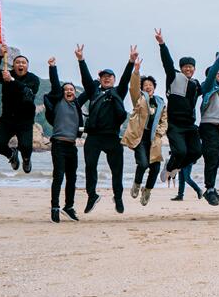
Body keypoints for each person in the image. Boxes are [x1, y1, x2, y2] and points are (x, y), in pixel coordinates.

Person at [76, 43, 137, 214]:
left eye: (110, 76)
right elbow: (86, 79)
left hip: (112, 137)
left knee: (117, 170)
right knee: (90, 167)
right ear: (100, 79)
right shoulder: (94, 92)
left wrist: (131, 62)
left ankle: (118, 197)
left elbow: (126, 79)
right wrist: (81, 60)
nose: (106, 78)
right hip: (94, 137)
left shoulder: (119, 92)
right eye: (103, 76)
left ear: (114, 80)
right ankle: (91, 196)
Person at [155, 29, 201, 179]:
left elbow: (209, 82)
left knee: (196, 152)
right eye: (185, 66)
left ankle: (177, 166)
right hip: (174, 124)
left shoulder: (195, 84)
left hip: (190, 125)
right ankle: (169, 166)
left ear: (194, 69)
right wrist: (162, 44)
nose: (188, 68)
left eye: (191, 66)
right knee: (180, 152)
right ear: (181, 69)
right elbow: (167, 63)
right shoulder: (174, 77)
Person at [121, 57, 167, 207]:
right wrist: (136, 71)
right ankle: (136, 183)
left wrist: (159, 133)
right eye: (145, 85)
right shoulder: (139, 99)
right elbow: (133, 88)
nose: (148, 87)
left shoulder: (160, 102)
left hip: (154, 139)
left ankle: (147, 190)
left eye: (150, 85)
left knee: (155, 167)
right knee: (143, 163)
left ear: (154, 87)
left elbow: (164, 121)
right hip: (140, 137)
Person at [0, 45, 40, 173]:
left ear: (27, 66)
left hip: (25, 121)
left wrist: (11, 80)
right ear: (13, 65)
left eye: (23, 62)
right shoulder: (7, 74)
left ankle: (26, 160)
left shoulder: (33, 79)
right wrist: (0, 56)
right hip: (7, 119)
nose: (20, 64)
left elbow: (27, 92)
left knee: (26, 147)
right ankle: (11, 155)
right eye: (17, 62)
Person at [42, 57, 81, 223]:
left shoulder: (77, 105)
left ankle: (69, 207)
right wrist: (53, 67)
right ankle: (55, 207)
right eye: (66, 89)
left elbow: (89, 90)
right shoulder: (59, 102)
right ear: (62, 92)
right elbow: (55, 84)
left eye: (72, 89)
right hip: (58, 144)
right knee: (58, 177)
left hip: (72, 146)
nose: (69, 91)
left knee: (72, 178)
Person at [196, 45, 219, 206]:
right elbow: (213, 71)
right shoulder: (208, 85)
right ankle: (209, 189)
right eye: (217, 73)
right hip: (208, 125)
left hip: (218, 128)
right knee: (211, 157)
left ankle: (212, 187)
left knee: (217, 159)